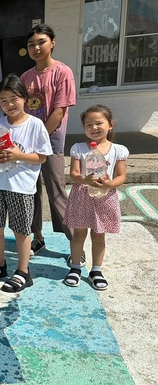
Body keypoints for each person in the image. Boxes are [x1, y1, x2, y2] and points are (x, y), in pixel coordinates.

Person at [0, 74, 52, 293]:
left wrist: (19, 155)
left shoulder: (35, 125)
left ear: (24, 98)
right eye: (3, 100)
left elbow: (42, 157)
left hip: (21, 186)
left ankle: (23, 272)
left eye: (14, 99)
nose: (9, 105)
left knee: (21, 230)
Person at [21, 23, 77, 261]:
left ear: (52, 43)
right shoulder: (25, 77)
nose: (36, 48)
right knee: (31, 191)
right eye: (31, 44)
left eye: (41, 42)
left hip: (51, 141)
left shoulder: (62, 72)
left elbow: (59, 110)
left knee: (57, 191)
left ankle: (76, 242)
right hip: (28, 144)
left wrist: (39, 138)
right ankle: (38, 237)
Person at [63, 105, 128, 290]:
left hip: (105, 197)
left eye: (99, 123)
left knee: (99, 236)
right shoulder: (78, 148)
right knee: (79, 234)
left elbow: (121, 176)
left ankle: (96, 270)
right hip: (82, 195)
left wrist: (109, 184)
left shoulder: (118, 149)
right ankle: (75, 267)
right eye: (88, 124)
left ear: (110, 125)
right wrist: (84, 179)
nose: (94, 128)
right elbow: (74, 174)